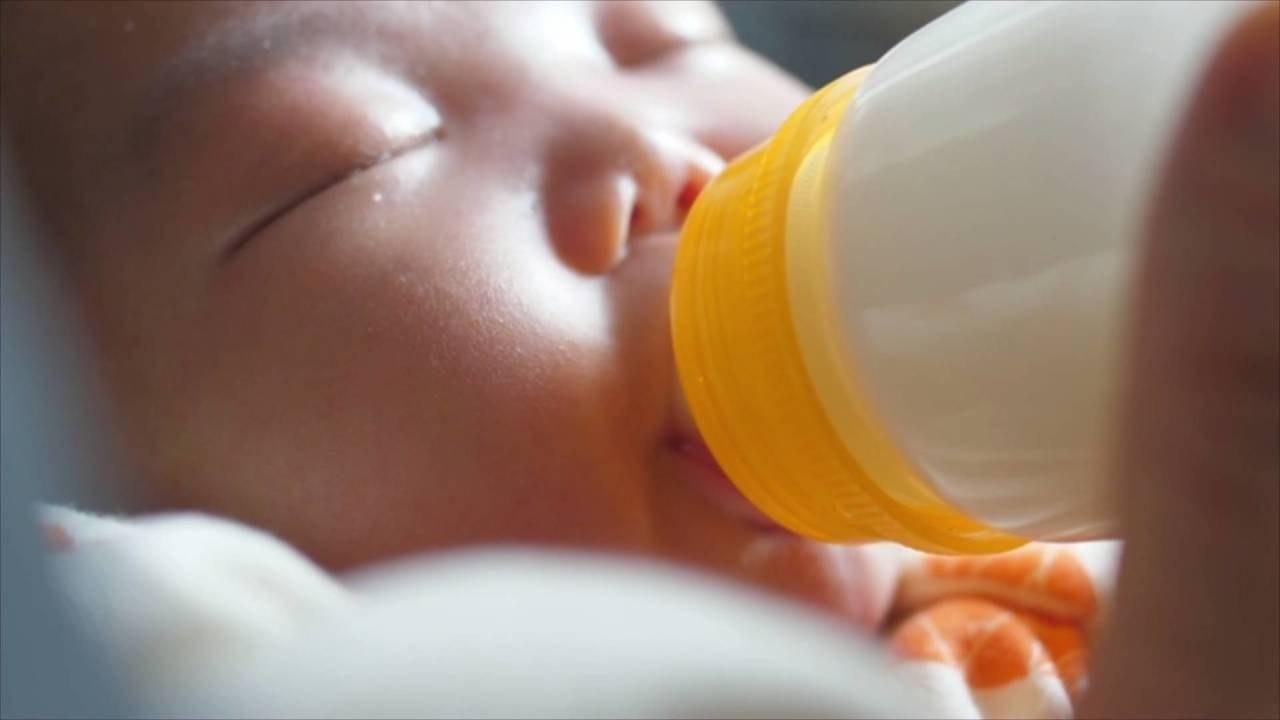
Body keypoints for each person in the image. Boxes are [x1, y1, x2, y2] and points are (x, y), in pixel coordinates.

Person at [1, 2, 1275, 717]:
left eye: (659, 38)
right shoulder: (191, 638)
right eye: (364, 154)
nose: (658, 156)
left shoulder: (1075, 472)